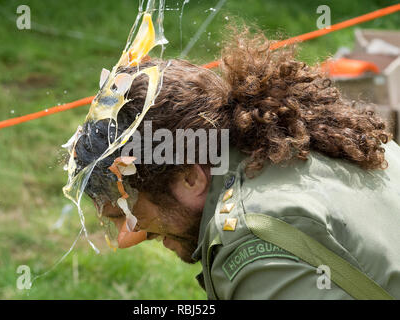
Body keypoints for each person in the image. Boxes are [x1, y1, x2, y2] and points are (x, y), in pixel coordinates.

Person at [72, 28, 400, 299]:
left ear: (189, 177)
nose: (129, 238)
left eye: (128, 212)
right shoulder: (320, 141)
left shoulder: (253, 236)